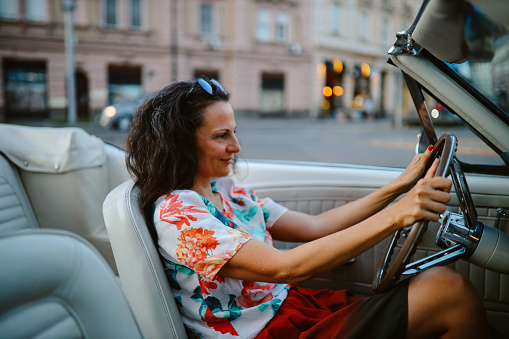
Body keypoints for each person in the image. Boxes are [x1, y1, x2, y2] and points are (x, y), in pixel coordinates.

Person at [126, 78, 493, 339]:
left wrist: (399, 187)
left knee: (443, 288)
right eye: (221, 136)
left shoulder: (230, 192)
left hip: (293, 310)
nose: (236, 146)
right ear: (181, 144)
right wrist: (399, 214)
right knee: (446, 290)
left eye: (235, 132)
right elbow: (287, 268)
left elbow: (317, 226)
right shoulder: (178, 216)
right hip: (264, 333)